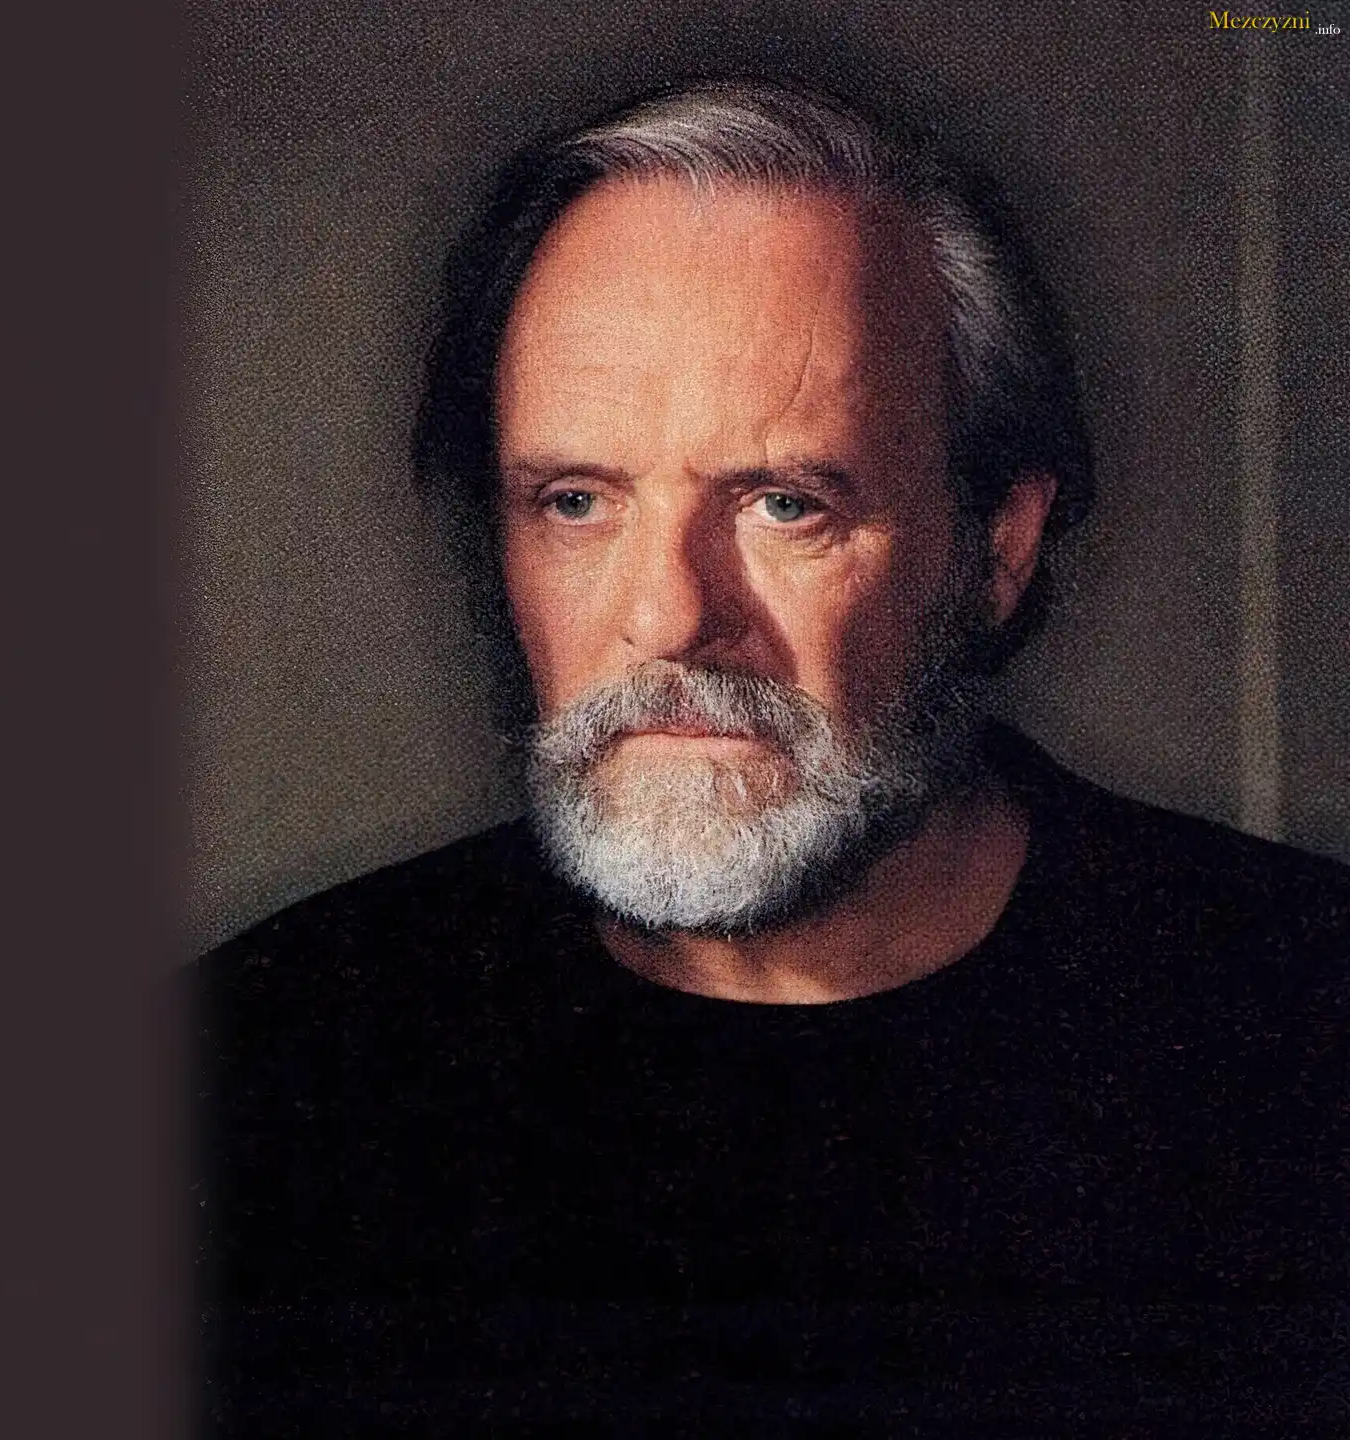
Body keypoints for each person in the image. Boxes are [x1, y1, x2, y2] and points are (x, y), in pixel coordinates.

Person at [192, 78, 1350, 1433]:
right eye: (577, 501)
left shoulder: (1304, 1033)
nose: (669, 615)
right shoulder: (260, 1078)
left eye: (784, 504)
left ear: (999, 545)